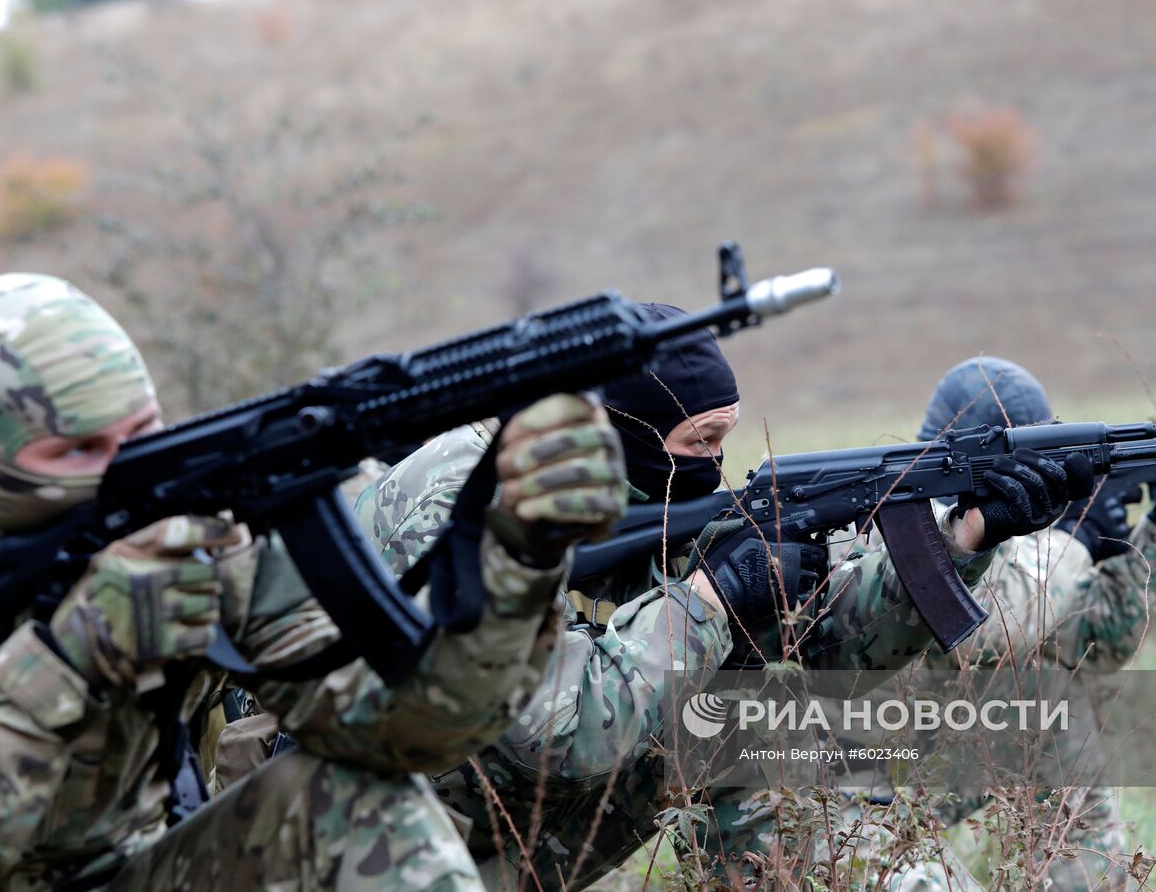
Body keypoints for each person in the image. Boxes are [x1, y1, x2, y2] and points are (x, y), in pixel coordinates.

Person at [351, 306, 1084, 890]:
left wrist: (965, 536)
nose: (716, 465)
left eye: (725, 437)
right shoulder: (464, 497)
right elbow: (562, 731)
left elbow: (828, 641)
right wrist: (712, 595)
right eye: (700, 440)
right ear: (624, 429)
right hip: (355, 840)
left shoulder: (629, 480)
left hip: (478, 813)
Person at [0, 273, 629, 890]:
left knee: (355, 795)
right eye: (78, 452)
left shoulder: (191, 543)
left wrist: (518, 558)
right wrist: (65, 664)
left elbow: (408, 731)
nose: (126, 471)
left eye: (141, 433)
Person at [838, 356, 1156, 892]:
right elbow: (990, 625)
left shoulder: (1027, 546)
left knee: (1048, 688)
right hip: (852, 782)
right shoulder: (879, 525)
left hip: (955, 752)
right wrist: (1076, 537)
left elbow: (1096, 642)